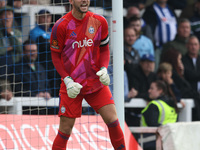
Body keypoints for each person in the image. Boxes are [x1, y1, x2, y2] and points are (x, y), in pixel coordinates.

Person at [50, 0, 126, 150]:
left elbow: (104, 49)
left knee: (113, 120)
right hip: (72, 86)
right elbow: (55, 57)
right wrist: (67, 79)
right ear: (71, 0)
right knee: (65, 130)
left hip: (95, 83)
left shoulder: (99, 21)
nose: (85, 0)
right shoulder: (61, 25)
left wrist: (104, 68)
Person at [160, 48, 200, 120]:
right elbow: (181, 91)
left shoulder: (179, 74)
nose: (180, 63)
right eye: (179, 59)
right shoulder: (173, 76)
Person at [141, 80, 178, 150]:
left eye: (152, 88)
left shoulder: (154, 105)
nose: (149, 91)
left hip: (151, 142)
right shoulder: (172, 105)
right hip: (170, 142)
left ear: (160, 90)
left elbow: (152, 124)